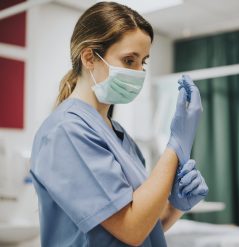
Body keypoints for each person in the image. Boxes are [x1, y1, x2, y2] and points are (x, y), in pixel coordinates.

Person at [30, 2, 208, 246]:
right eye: (129, 60)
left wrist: (175, 207)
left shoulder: (120, 136)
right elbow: (130, 229)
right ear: (89, 56)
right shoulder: (67, 131)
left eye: (142, 62)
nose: (138, 72)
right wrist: (175, 145)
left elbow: (144, 227)